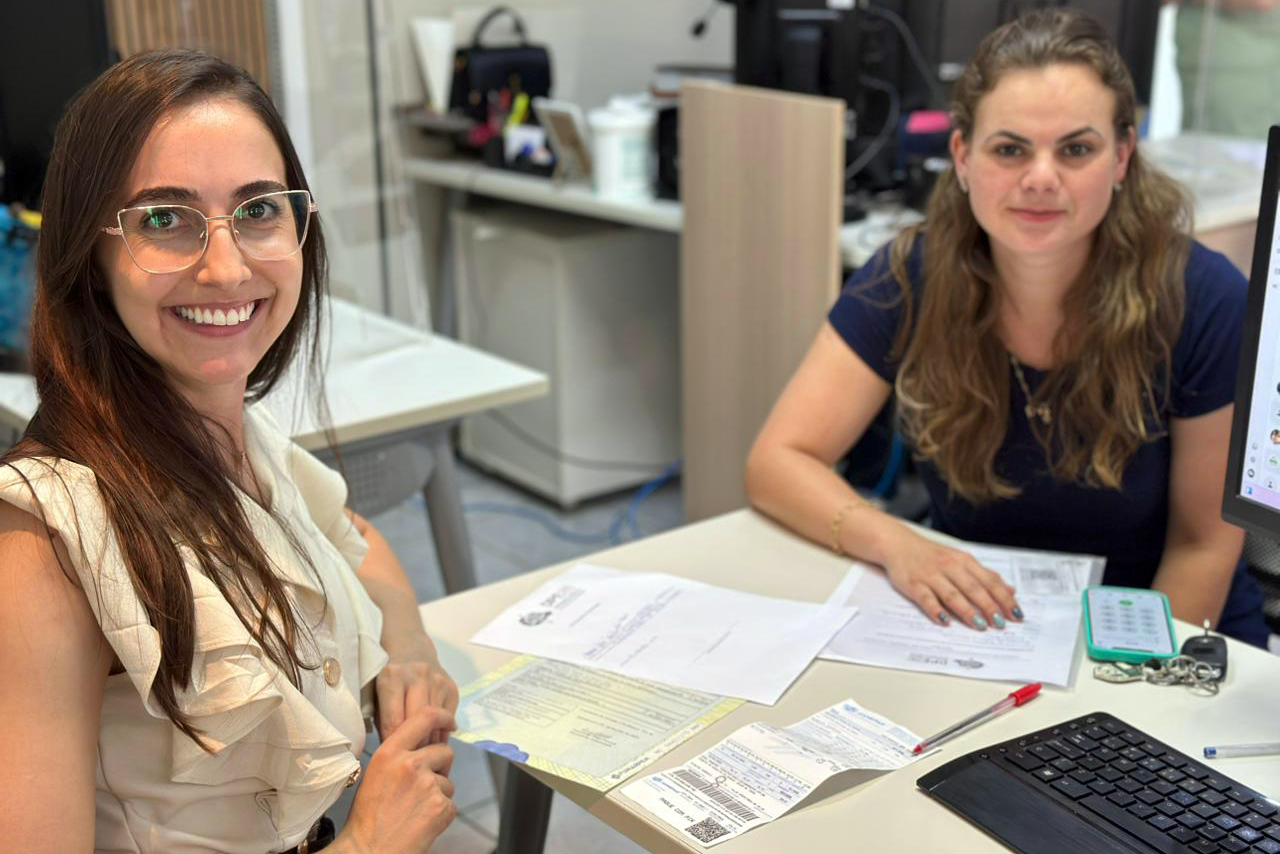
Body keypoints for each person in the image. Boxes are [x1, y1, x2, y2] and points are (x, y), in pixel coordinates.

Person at [0, 51, 460, 853]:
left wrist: (409, 652)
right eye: (163, 220)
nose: (225, 267)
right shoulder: (45, 549)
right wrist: (370, 844)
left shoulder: (229, 435)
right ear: (90, 256)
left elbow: (356, 541)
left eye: (259, 211)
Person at [745, 9, 1270, 647]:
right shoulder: (911, 277)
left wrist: (1126, 686)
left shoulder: (1202, 298)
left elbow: (1201, 548)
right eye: (1010, 149)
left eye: (1076, 149)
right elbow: (778, 460)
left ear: (1122, 157)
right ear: (962, 157)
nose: (1041, 178)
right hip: (986, 631)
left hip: (1165, 634)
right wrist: (899, 545)